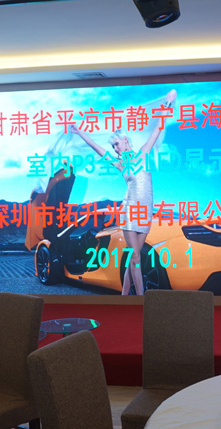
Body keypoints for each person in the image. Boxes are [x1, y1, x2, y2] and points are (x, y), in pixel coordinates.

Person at [70, 89, 176, 295]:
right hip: (130, 211)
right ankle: (142, 299)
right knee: (136, 257)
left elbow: (157, 129)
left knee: (134, 258)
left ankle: (124, 296)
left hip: (145, 212)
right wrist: (81, 133)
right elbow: (97, 148)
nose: (115, 149)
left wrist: (168, 104)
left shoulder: (143, 153)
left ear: (125, 140)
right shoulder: (120, 164)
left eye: (116, 144)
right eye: (113, 146)